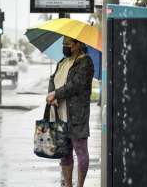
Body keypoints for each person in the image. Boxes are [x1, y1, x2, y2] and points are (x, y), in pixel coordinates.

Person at [46, 36, 94, 187]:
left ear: (78, 44)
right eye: (63, 43)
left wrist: (56, 94)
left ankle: (80, 185)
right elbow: (52, 79)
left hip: (76, 115)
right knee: (65, 153)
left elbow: (76, 85)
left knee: (80, 151)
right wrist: (51, 94)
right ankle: (68, 185)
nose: (65, 46)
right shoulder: (63, 61)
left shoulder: (85, 61)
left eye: (68, 44)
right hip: (60, 114)